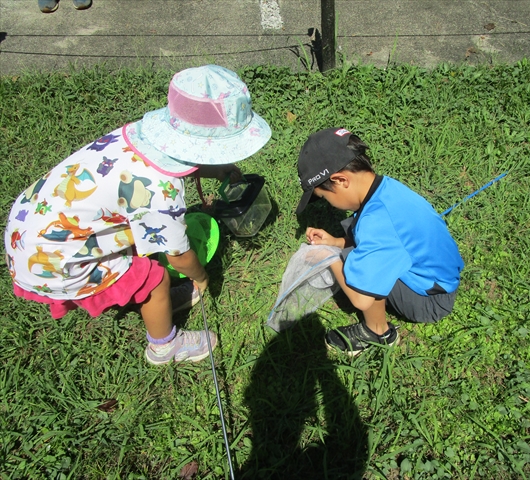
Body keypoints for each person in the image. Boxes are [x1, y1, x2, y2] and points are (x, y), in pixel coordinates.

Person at [4, 65, 271, 365]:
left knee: (141, 253)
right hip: (55, 260)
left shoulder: (137, 138)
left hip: (28, 226)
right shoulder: (160, 191)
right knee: (154, 280)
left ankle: (157, 303)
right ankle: (163, 346)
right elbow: (178, 257)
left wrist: (214, 169)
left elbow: (179, 159)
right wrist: (201, 277)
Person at [296, 128, 464, 355]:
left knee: (359, 266)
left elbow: (361, 300)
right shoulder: (384, 189)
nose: (328, 204)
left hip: (430, 301)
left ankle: (378, 332)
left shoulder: (377, 223)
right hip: (439, 278)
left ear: (341, 180)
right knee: (358, 251)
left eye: (325, 197)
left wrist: (330, 257)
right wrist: (336, 242)